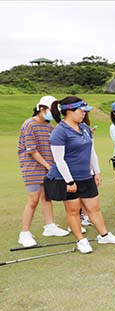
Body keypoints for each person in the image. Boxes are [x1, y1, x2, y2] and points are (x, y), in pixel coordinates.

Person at [43, 96, 115, 254]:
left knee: (94, 208)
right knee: (73, 211)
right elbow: (58, 160)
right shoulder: (59, 131)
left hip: (86, 176)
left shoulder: (85, 128)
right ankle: (81, 240)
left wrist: (96, 171)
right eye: (81, 111)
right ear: (69, 111)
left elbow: (91, 151)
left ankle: (104, 235)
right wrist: (69, 181)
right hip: (66, 178)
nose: (84, 114)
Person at [17, 96, 70, 247]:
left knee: (47, 197)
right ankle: (24, 233)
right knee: (33, 200)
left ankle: (50, 226)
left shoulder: (49, 126)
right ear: (41, 109)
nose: (52, 115)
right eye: (51, 112)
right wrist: (48, 166)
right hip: (32, 167)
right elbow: (31, 150)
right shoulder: (29, 124)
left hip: (48, 166)